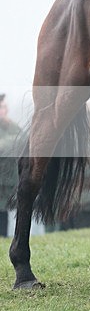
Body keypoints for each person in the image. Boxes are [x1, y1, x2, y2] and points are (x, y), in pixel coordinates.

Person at [0, 94, 21, 237]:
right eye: (2, 107)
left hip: (5, 183)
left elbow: (23, 139)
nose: (5, 110)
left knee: (3, 218)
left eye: (5, 107)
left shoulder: (10, 125)